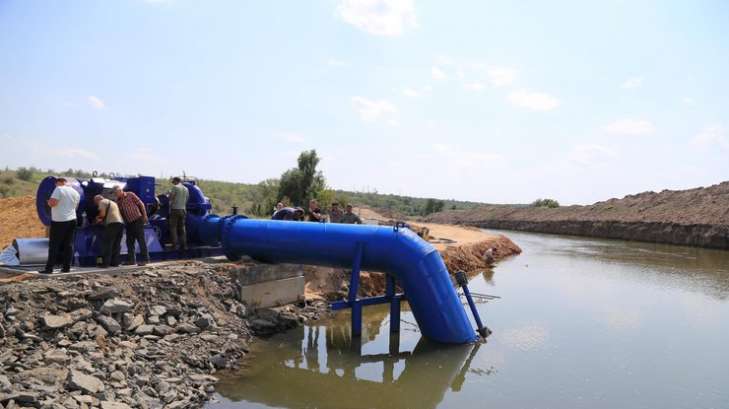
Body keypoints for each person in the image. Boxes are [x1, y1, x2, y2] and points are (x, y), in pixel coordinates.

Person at [40, 177, 80, 274]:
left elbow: (53, 203)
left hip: (59, 220)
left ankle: (49, 268)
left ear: (58, 183)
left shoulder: (59, 189)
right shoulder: (75, 192)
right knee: (69, 245)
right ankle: (66, 268)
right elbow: (76, 207)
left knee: (54, 245)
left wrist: (48, 202)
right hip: (72, 219)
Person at [113, 186, 150, 266]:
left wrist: (145, 215)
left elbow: (141, 204)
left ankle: (145, 259)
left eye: (116, 193)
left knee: (141, 240)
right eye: (115, 193)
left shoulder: (130, 194)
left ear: (120, 191)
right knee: (129, 242)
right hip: (129, 223)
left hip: (137, 220)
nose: (116, 195)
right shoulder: (118, 201)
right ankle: (131, 260)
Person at [94, 194, 124, 268]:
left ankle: (105, 263)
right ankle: (115, 262)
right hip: (121, 224)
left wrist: (97, 219)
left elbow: (102, 214)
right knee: (116, 244)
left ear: (98, 200)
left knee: (107, 244)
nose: (96, 204)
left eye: (95, 202)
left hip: (112, 224)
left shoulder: (102, 202)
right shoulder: (113, 202)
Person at [168, 177, 189, 250]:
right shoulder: (186, 189)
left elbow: (171, 198)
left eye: (173, 181)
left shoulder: (175, 187)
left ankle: (175, 245)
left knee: (173, 227)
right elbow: (186, 199)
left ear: (176, 181)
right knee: (182, 228)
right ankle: (184, 245)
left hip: (175, 209)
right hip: (183, 210)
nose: (173, 183)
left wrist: (169, 195)